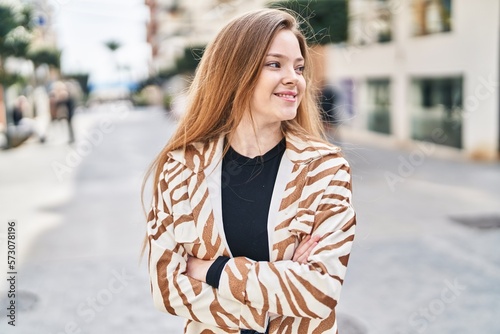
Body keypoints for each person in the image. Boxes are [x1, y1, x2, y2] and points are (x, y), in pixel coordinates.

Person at [144, 8, 356, 334]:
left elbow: (320, 293)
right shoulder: (181, 169)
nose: (294, 78)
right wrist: (280, 292)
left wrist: (211, 271)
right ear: (234, 73)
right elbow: (166, 289)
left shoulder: (325, 169)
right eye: (275, 64)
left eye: (299, 68)